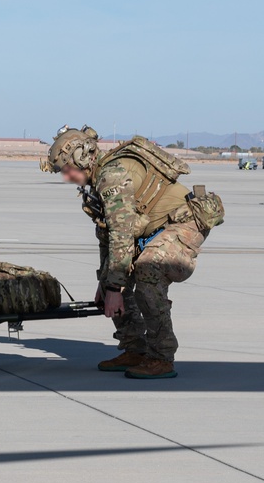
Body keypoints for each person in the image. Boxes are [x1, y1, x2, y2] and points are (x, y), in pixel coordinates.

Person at [42, 126, 221, 379]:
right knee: (110, 282)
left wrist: (115, 287)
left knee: (149, 271)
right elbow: (108, 234)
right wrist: (107, 281)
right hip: (153, 228)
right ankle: (135, 349)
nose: (65, 177)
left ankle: (161, 357)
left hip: (183, 223)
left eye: (67, 169)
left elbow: (121, 234)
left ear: (83, 158)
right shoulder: (100, 178)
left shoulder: (112, 177)